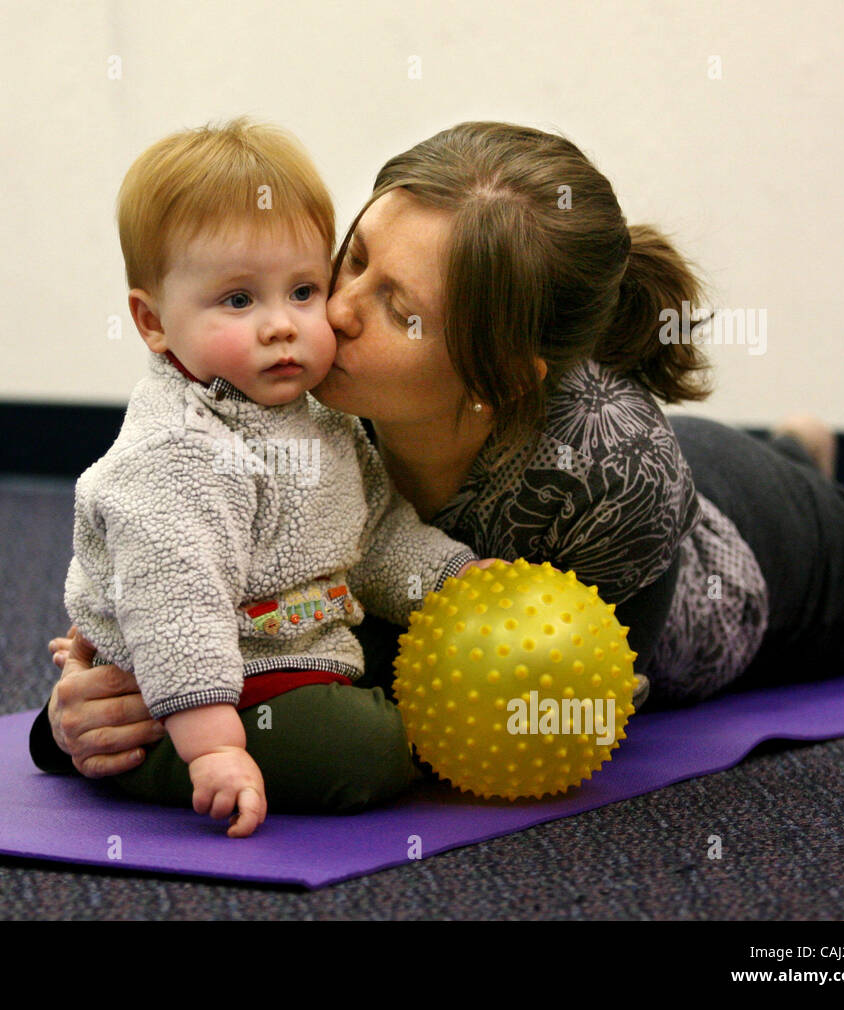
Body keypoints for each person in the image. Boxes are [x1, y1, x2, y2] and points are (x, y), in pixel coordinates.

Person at [35, 121, 844, 835]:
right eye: (353, 259)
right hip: (685, 462)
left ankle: (798, 468)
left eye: (399, 309)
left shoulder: (610, 477)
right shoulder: (304, 384)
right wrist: (88, 692)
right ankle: (798, 447)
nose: (332, 311)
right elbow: (191, 550)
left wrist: (168, 725)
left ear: (500, 370)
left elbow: (530, 711)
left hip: (749, 563)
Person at [36, 117, 503, 838]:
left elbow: (374, 533)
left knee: (420, 654)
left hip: (295, 644)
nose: (281, 325)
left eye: (304, 290)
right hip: (188, 688)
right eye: (238, 300)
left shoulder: (320, 417)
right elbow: (178, 609)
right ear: (153, 322)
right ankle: (143, 767)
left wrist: (454, 582)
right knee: (362, 753)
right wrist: (215, 748)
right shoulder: (179, 451)